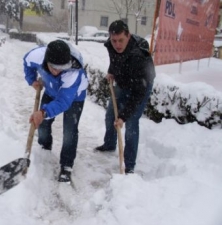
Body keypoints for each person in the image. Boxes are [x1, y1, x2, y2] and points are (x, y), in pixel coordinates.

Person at [95, 20, 156, 174]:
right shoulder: (111, 45)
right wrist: (111, 71)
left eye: (121, 40)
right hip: (123, 81)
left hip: (141, 85)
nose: (117, 44)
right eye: (114, 40)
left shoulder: (139, 55)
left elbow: (137, 95)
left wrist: (124, 116)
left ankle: (129, 165)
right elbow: (115, 60)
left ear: (128, 36)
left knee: (131, 121)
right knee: (111, 114)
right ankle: (109, 144)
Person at [23, 39, 88, 182]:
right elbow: (27, 62)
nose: (57, 71)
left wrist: (43, 112)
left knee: (69, 131)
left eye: (61, 68)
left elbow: (63, 101)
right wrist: (31, 79)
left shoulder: (73, 71)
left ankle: (66, 165)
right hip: (51, 89)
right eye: (54, 68)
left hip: (75, 96)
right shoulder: (37, 56)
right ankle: (44, 149)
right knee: (44, 125)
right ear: (46, 61)